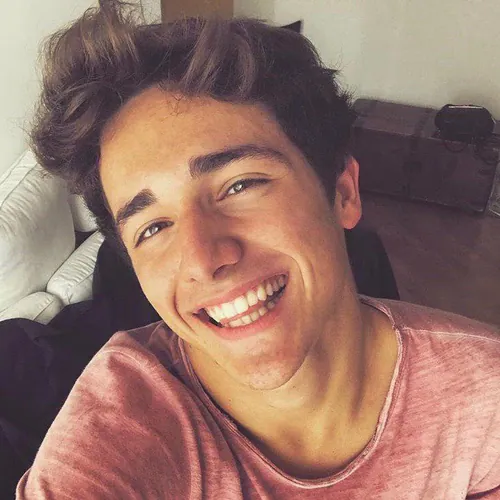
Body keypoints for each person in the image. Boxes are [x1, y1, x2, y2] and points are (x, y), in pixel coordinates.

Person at [17, 1, 499, 498]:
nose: (203, 259)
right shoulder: (118, 427)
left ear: (343, 193)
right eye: (153, 227)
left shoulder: (483, 397)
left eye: (240, 185)